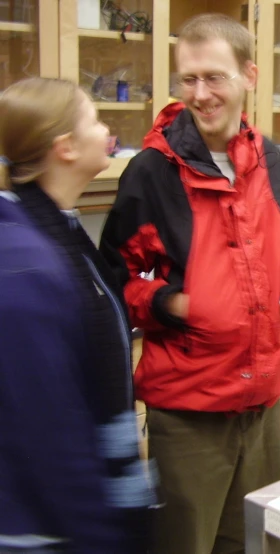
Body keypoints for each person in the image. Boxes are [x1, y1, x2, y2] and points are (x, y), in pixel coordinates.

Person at [99, 13, 280, 554]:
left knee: (255, 541)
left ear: (249, 75)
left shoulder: (270, 158)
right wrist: (172, 302)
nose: (201, 94)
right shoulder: (153, 173)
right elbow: (111, 280)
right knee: (188, 544)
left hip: (264, 401)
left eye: (214, 77)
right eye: (189, 79)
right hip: (191, 409)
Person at [0, 78, 155, 553]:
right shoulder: (24, 261)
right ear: (65, 147)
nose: (107, 130)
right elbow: (50, 431)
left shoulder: (58, 235)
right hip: (43, 532)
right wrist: (101, 534)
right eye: (95, 120)